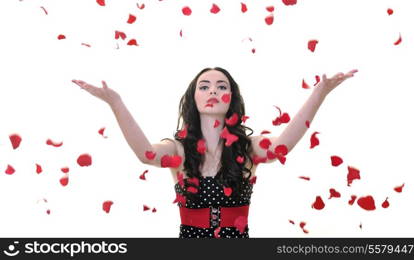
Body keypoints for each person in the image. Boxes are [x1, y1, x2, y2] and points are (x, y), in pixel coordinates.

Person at [72, 67, 358, 238]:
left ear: (231, 98)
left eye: (222, 86)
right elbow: (146, 154)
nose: (212, 91)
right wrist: (115, 103)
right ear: (193, 98)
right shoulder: (179, 149)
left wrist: (319, 93)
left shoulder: (248, 148)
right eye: (204, 86)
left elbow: (284, 144)